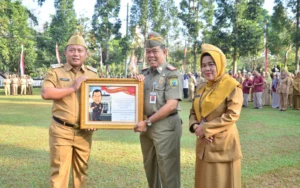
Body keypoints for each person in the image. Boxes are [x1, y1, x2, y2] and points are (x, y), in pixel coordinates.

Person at [41, 33, 98, 187]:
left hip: (84, 132)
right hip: (61, 130)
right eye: (72, 50)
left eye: (80, 50)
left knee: (81, 173)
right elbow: (46, 93)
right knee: (59, 173)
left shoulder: (93, 74)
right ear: (65, 53)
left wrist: (96, 120)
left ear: (86, 54)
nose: (76, 54)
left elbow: (99, 100)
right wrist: (73, 87)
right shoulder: (56, 72)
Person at [189, 44, 242, 188]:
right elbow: (193, 112)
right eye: (203, 65)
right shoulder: (201, 87)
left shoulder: (231, 86)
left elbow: (232, 115)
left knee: (222, 182)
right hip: (204, 145)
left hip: (223, 145)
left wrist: (205, 129)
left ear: (219, 64)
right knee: (204, 182)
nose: (206, 69)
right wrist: (195, 127)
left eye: (211, 64)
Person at [134, 32, 182, 188]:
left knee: (168, 172)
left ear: (164, 52)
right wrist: (135, 83)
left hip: (165, 127)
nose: (151, 55)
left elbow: (172, 105)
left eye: (155, 51)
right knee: (150, 170)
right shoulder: (144, 75)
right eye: (148, 52)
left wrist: (147, 122)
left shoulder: (172, 74)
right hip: (146, 128)